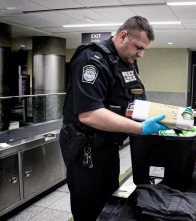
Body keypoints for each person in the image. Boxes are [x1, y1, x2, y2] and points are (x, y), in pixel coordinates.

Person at [59, 16, 167, 221]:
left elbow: (135, 99)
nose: (141, 54)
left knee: (109, 202)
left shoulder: (126, 62)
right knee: (89, 207)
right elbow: (90, 114)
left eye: (145, 49)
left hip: (108, 146)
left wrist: (165, 118)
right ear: (123, 36)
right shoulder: (91, 59)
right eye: (139, 47)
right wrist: (140, 129)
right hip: (85, 148)